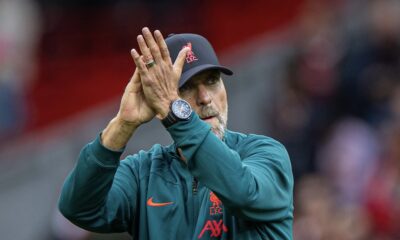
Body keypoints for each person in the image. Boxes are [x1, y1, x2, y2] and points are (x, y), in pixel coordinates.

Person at [58, 27, 294, 240]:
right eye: (186, 87)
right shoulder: (144, 173)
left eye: (212, 81)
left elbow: (243, 192)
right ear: (158, 99)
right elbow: (79, 209)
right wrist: (123, 124)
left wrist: (175, 109)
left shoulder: (266, 153)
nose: (204, 98)